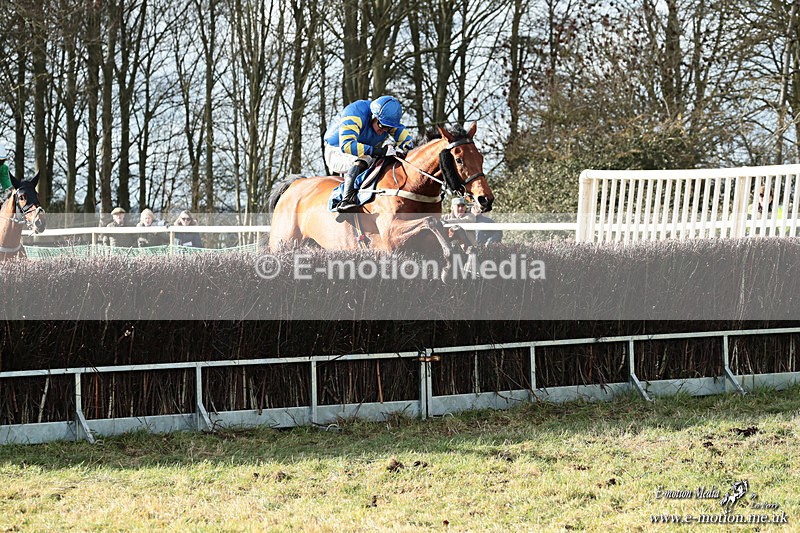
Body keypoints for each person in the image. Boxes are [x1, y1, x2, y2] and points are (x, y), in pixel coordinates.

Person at [323, 95, 415, 212]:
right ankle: (345, 200)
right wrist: (380, 151)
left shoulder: (386, 120)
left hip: (360, 151)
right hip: (336, 150)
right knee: (365, 158)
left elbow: (408, 143)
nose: (384, 131)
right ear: (373, 116)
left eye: (388, 128)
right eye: (382, 126)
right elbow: (347, 146)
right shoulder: (355, 113)